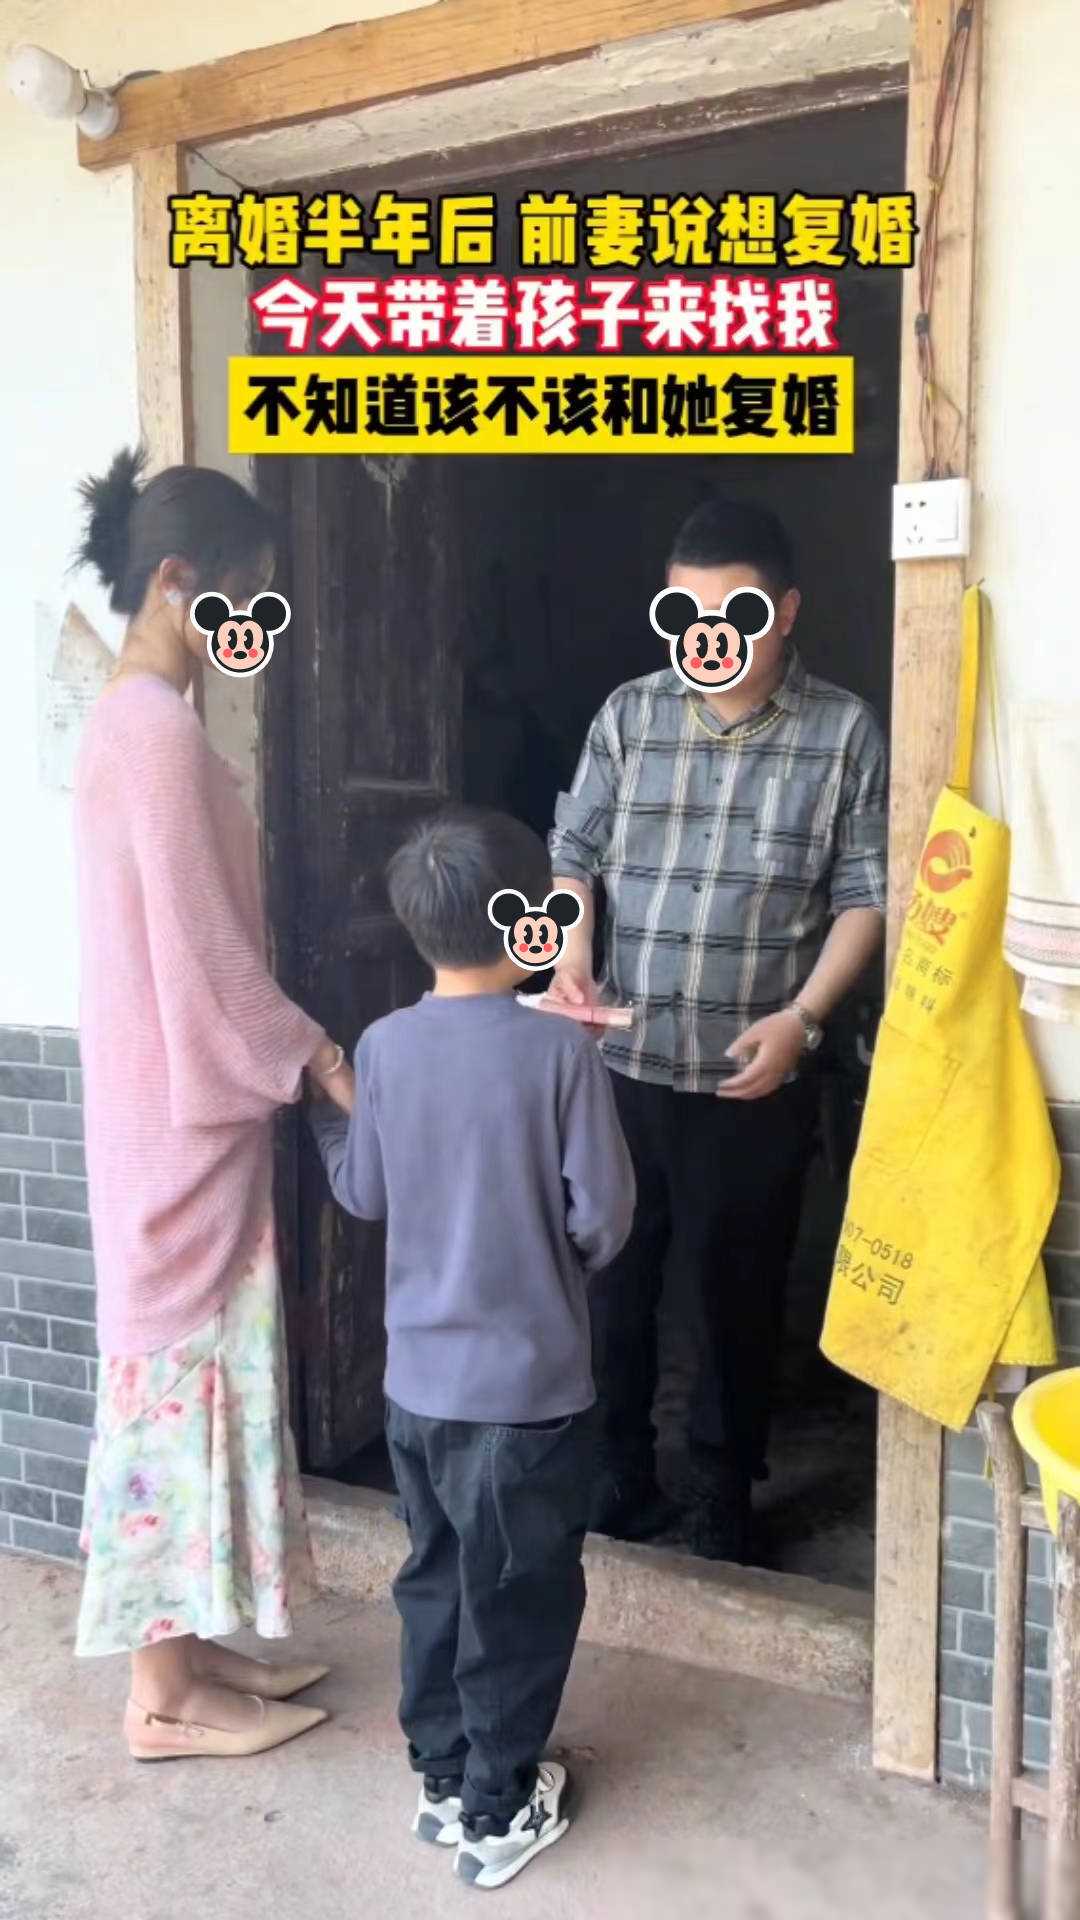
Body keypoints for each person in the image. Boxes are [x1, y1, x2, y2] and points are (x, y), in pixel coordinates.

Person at [73, 447, 354, 1759]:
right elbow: (208, 949)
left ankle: (189, 1655)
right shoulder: (157, 735)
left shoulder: (128, 721)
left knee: (192, 1381)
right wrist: (319, 1054)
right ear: (177, 584)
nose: (254, 631)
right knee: (174, 1391)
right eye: (244, 601)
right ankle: (163, 1696)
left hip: (155, 1106)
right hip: (174, 1123)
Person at [546, 497, 886, 1562]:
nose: (708, 635)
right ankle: (617, 1471)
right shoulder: (629, 716)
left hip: (756, 1076)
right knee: (616, 1281)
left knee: (735, 1294)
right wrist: (570, 955)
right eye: (685, 612)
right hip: (626, 1063)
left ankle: (721, 1493)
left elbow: (866, 895)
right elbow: (574, 854)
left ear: (785, 611)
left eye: (735, 612)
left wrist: (804, 1019)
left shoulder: (844, 733)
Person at [308, 806, 635, 1890]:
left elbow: (365, 1190)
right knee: (519, 1596)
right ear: (531, 918)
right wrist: (551, 1259)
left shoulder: (385, 1047)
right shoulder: (561, 1053)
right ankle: (499, 1812)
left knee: (437, 1577)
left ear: (416, 927)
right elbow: (604, 1218)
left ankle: (443, 1780)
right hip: (527, 1395)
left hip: (418, 1390)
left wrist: (328, 1112)